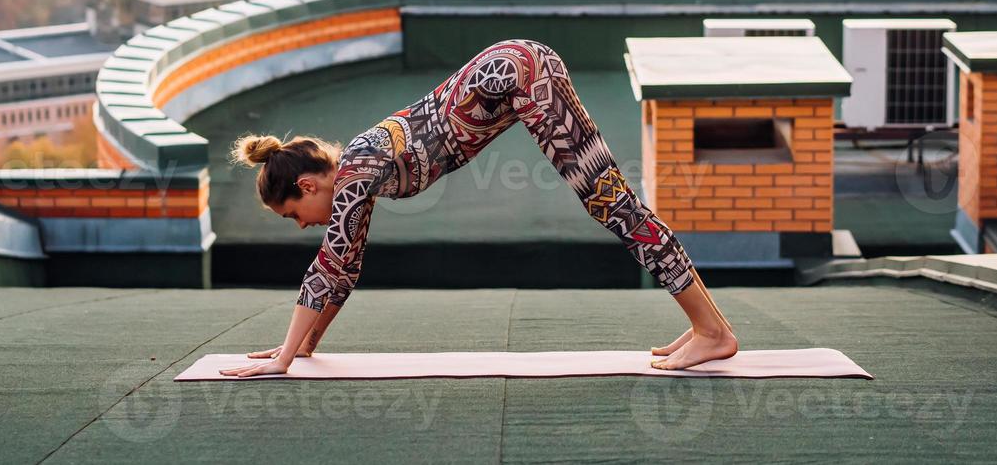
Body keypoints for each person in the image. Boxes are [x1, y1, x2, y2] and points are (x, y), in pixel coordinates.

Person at [221, 38, 739, 377]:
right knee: (616, 205)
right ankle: (707, 327)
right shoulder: (361, 171)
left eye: (293, 214)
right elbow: (347, 265)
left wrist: (283, 359)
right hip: (523, 67)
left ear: (309, 186)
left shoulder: (355, 171)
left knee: (613, 205)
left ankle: (713, 333)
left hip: (517, 76)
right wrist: (308, 345)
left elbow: (329, 262)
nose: (302, 225)